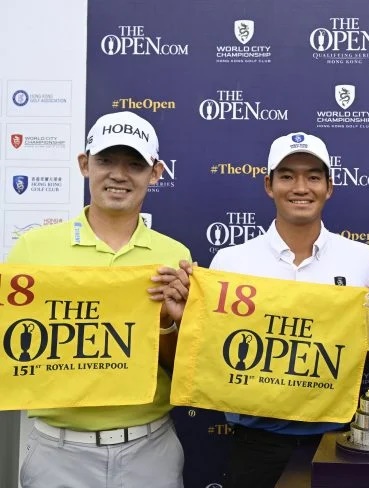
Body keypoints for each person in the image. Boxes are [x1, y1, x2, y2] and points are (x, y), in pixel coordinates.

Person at [8, 111, 191, 488]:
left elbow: (183, 370)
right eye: (106, 160)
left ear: (155, 173)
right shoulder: (34, 247)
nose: (119, 175)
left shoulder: (174, 255)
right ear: (84, 165)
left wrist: (169, 323)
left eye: (135, 164)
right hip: (57, 451)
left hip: (149, 449)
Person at [204, 132, 369, 488]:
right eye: (287, 176)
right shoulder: (230, 260)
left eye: (313, 176)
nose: (301, 187)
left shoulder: (364, 259)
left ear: (329, 187)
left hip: (339, 441)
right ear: (269, 185)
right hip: (256, 446)